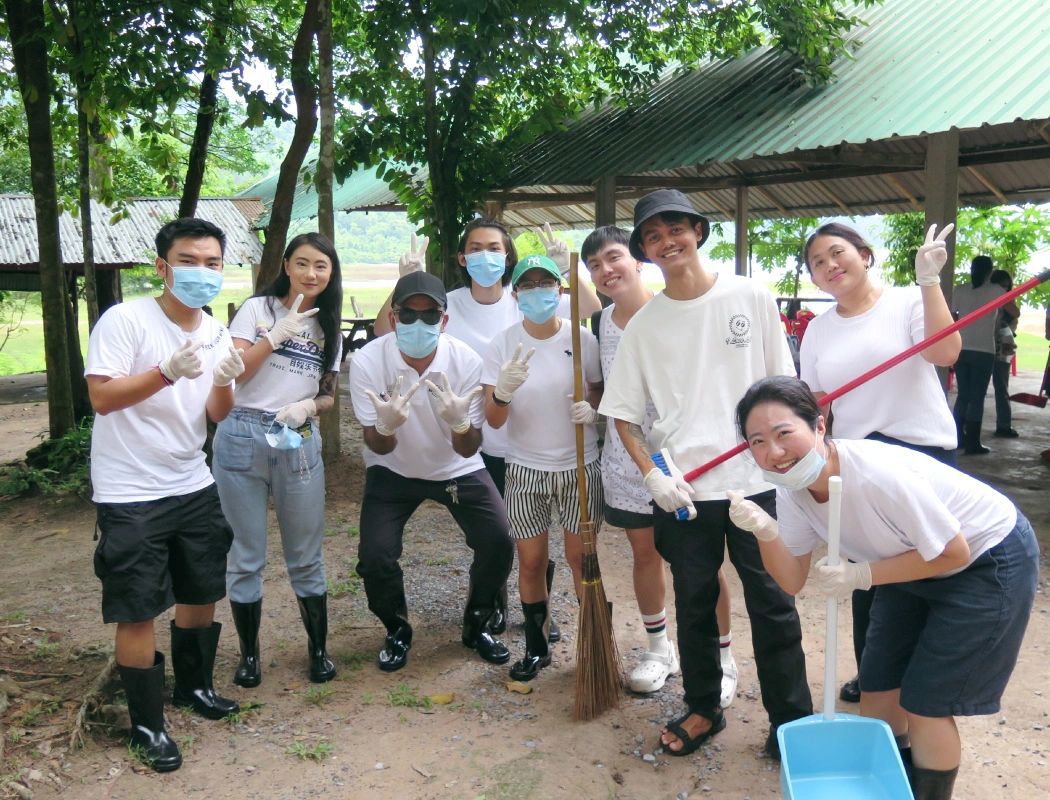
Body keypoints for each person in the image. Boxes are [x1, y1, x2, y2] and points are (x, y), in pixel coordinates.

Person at [731, 375, 1038, 800]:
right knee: (878, 694)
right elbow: (792, 579)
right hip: (906, 562)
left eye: (784, 433)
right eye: (757, 442)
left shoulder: (876, 474)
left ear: (819, 426)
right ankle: (889, 788)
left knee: (926, 703)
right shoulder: (793, 489)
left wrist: (863, 575)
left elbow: (952, 552)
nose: (774, 453)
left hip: (984, 559)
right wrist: (765, 532)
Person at [599, 189, 813, 758]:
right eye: (652, 236)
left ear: (698, 230)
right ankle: (702, 709)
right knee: (694, 602)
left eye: (676, 229)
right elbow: (622, 414)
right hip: (685, 493)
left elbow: (785, 390)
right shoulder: (645, 325)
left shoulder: (750, 295)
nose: (667, 241)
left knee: (771, 601)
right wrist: (652, 476)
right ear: (645, 252)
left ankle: (790, 721)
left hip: (756, 484)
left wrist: (787, 457)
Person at [373, 221, 602, 635]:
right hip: (474, 438)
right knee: (502, 536)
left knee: (534, 539)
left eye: (494, 247)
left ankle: (542, 612)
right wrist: (402, 281)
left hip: (523, 440)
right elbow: (384, 330)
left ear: (507, 256)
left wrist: (568, 269)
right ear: (462, 258)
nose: (485, 255)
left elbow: (589, 313)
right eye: (475, 248)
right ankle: (493, 606)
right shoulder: (451, 302)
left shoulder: (526, 297)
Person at [86, 218, 245, 772]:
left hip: (191, 481)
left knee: (200, 588)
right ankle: (147, 726)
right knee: (137, 607)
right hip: (130, 489)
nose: (202, 272)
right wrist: (165, 372)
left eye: (213, 263)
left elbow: (216, 416)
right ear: (162, 266)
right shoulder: (126, 320)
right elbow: (102, 399)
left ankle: (194, 689)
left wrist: (223, 379)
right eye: (189, 260)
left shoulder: (217, 331)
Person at [799, 221, 961, 703]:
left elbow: (945, 351)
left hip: (918, 453)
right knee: (867, 577)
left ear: (864, 255)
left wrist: (929, 281)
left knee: (926, 567)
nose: (830, 266)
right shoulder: (819, 330)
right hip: (858, 462)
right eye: (817, 263)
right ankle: (875, 675)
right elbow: (815, 401)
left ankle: (920, 682)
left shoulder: (908, 301)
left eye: (837, 253)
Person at [582, 225, 739, 703]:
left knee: (702, 563)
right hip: (625, 462)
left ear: (637, 260)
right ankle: (658, 649)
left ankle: (722, 657)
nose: (606, 271)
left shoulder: (673, 311)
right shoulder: (601, 322)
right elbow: (602, 384)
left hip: (681, 459)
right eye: (594, 266)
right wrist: (595, 413)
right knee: (644, 554)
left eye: (613, 258)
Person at [348, 271, 514, 672]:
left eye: (429, 315)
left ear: (444, 319)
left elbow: (470, 445)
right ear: (392, 317)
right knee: (375, 556)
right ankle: (396, 628)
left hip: (455, 466)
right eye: (408, 314)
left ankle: (477, 621)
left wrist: (459, 424)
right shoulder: (369, 361)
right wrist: (386, 427)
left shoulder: (465, 361)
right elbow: (377, 444)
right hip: (393, 469)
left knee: (499, 542)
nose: (417, 324)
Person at [212, 232, 343, 688]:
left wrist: (309, 407)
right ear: (286, 265)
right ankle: (249, 656)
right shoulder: (256, 310)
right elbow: (235, 373)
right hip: (242, 431)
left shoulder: (330, 326)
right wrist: (276, 335)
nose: (311, 273)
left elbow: (327, 394)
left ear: (331, 273)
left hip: (296, 434)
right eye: (302, 263)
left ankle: (319, 650)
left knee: (305, 555)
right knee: (244, 554)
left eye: (321, 266)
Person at [482, 254, 604, 681]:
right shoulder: (502, 344)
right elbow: (492, 420)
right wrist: (501, 392)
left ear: (560, 290)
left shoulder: (582, 340)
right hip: (525, 468)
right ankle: (536, 647)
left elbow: (602, 393)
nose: (537, 291)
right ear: (515, 295)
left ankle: (594, 645)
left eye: (545, 283)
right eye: (527, 285)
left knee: (580, 558)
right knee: (531, 561)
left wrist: (594, 410)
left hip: (579, 466)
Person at [952, 255, 1005, 454]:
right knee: (977, 397)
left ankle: (957, 437)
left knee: (963, 395)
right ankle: (973, 441)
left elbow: (952, 316)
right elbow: (1014, 312)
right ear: (990, 272)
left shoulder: (961, 290)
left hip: (961, 347)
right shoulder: (996, 291)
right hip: (983, 349)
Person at [988, 269, 1021, 438]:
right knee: (977, 389)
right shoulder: (988, 295)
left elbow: (1015, 313)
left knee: (1001, 385)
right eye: (1001, 285)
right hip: (987, 341)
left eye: (1006, 286)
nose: (1004, 288)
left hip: (1002, 343)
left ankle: (1004, 425)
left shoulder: (1005, 297)